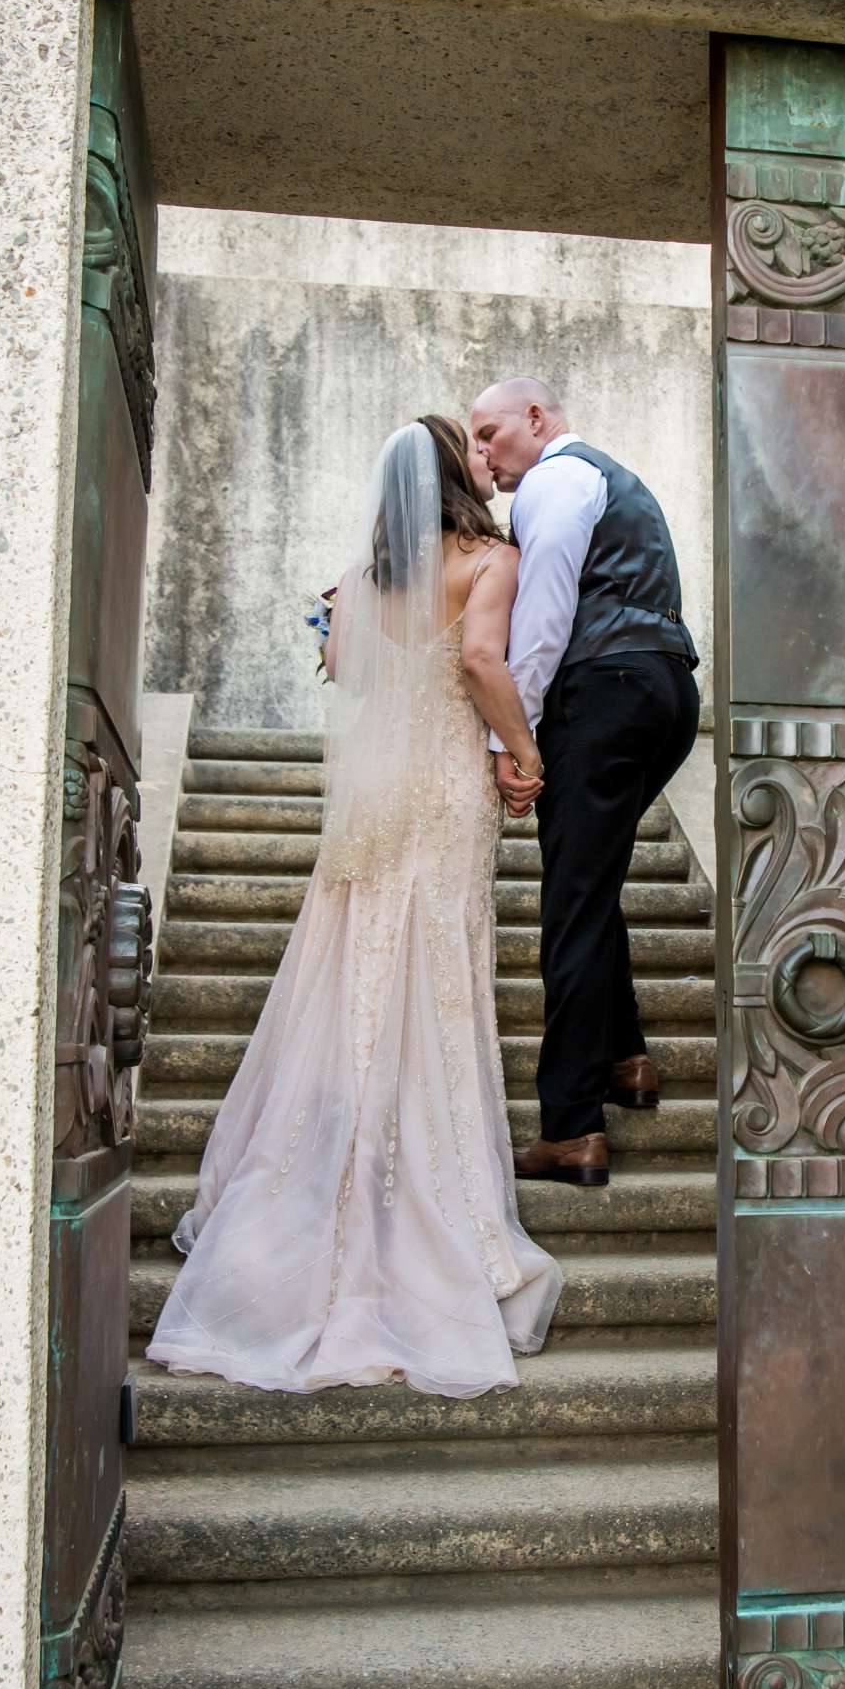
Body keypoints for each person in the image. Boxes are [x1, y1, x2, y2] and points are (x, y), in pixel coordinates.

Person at [147, 416, 560, 1396]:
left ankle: (314, 1182)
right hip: (446, 789)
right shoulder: (487, 559)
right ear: (459, 474)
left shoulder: (369, 573)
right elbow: (482, 665)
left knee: (359, 962)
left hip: (378, 797)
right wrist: (527, 754)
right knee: (435, 969)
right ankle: (427, 1200)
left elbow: (341, 670)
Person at [468, 378, 700, 1188]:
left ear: (537, 419)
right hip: (666, 688)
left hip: (602, 692)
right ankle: (625, 1056)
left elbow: (544, 614)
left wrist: (514, 739)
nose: (486, 454)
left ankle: (570, 1128)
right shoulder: (608, 477)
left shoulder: (555, 480)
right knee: (591, 883)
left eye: (492, 432)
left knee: (570, 900)